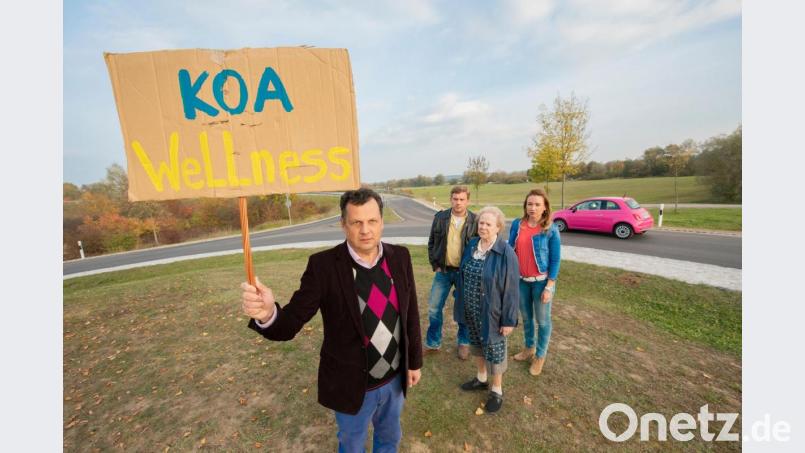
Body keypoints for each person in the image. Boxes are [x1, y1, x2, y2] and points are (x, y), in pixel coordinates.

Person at [241, 188, 423, 452]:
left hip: (394, 380)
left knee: (389, 438)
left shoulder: (400, 257)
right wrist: (268, 314)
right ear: (343, 225)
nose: (365, 230)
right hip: (352, 386)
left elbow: (410, 314)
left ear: (382, 222)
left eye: (372, 221)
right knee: (351, 445)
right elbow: (291, 322)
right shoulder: (323, 266)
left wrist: (414, 362)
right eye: (356, 222)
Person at [455, 206, 519, 413]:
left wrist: (508, 320)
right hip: (471, 308)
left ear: (498, 227)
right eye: (481, 223)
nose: (482, 227)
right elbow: (462, 272)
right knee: (477, 345)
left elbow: (511, 289)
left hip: (493, 313)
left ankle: (497, 390)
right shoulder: (473, 244)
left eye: (488, 224)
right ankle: (481, 379)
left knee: (495, 350)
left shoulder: (505, 252)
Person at [507, 188, 561, 376]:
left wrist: (549, 286)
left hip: (541, 283)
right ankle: (529, 348)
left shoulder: (550, 229)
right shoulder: (517, 224)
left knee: (543, 321)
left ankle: (540, 356)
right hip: (521, 281)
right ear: (525, 205)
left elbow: (555, 260)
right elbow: (510, 250)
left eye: (537, 204)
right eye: (530, 204)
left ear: (545, 207)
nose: (533, 207)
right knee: (527, 318)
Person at [425, 185, 478, 359]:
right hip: (444, 271)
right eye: (455, 199)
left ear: (467, 200)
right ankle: (433, 343)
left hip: (464, 274)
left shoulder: (475, 221)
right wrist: (436, 264)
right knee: (434, 307)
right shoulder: (440, 218)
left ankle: (464, 342)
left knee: (464, 309)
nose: (458, 202)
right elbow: (432, 242)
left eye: (462, 199)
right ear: (451, 199)